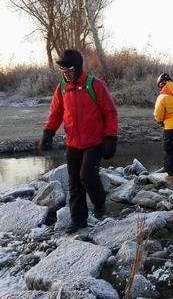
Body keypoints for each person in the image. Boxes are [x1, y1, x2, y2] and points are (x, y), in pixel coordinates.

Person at [40, 49, 119, 233]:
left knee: (87, 176)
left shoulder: (94, 85)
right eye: (63, 71)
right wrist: (48, 132)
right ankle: (78, 221)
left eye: (68, 70)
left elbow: (111, 112)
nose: (66, 74)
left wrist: (111, 137)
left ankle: (100, 203)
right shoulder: (62, 88)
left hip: (95, 142)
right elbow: (56, 113)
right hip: (73, 144)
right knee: (74, 183)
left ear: (78, 68)